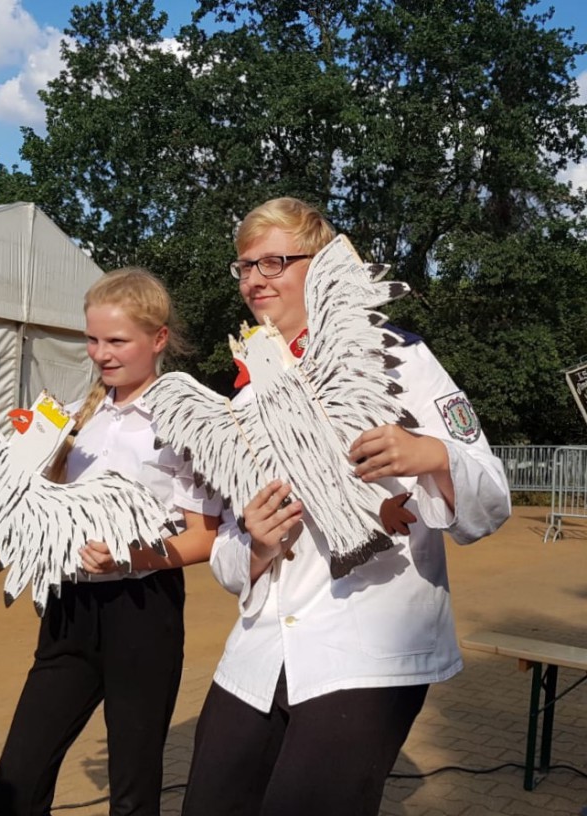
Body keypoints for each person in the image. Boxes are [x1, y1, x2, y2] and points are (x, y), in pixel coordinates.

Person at [180, 197, 511, 816]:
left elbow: (491, 497)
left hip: (368, 646)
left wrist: (430, 453)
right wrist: (255, 546)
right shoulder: (244, 401)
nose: (253, 280)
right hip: (259, 650)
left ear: (322, 263)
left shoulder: (396, 355)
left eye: (274, 262)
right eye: (245, 266)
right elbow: (226, 549)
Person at [0, 268, 221, 816]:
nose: (101, 354)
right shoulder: (77, 414)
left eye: (117, 340)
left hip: (142, 613)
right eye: (92, 339)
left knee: (132, 795)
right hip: (69, 610)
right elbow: (18, 486)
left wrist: (132, 555)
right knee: (13, 786)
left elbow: (206, 537)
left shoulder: (185, 421)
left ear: (159, 338)